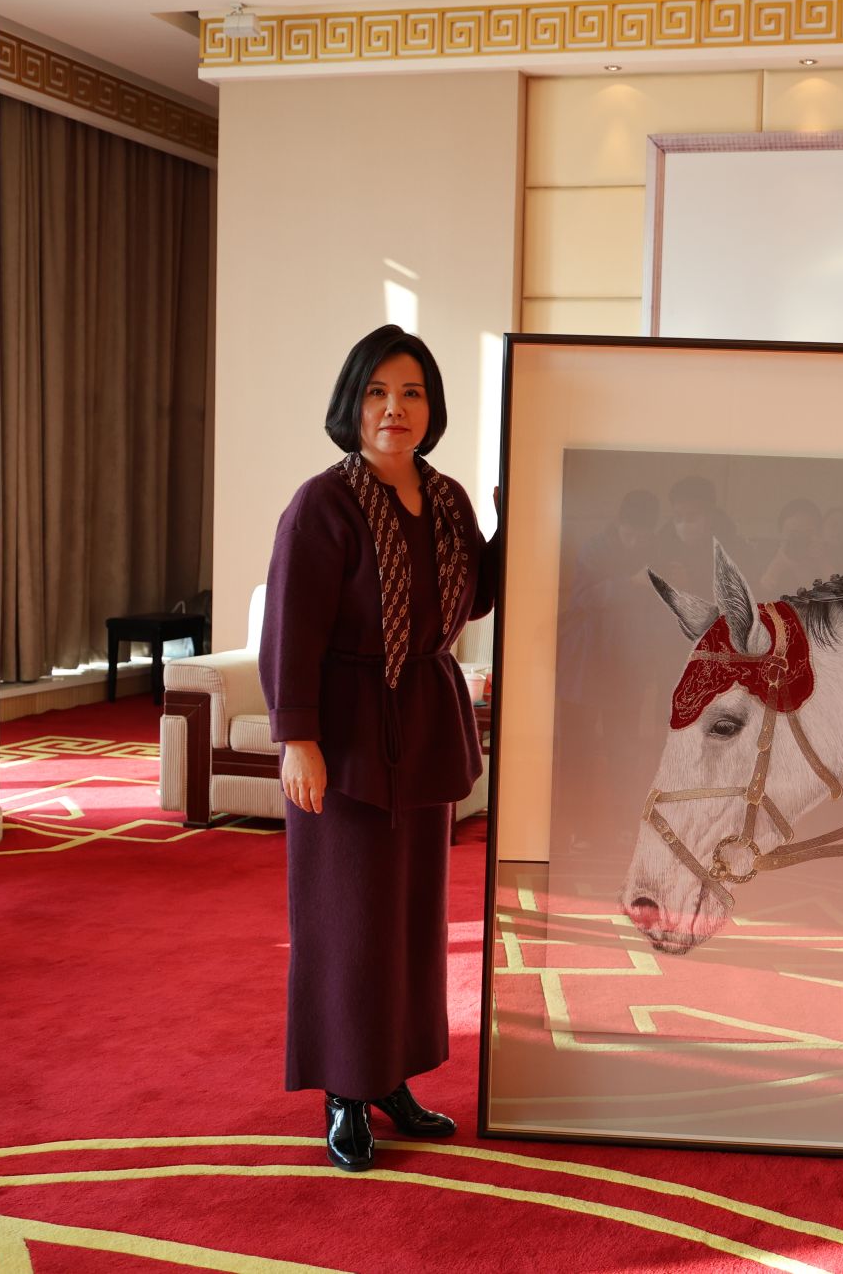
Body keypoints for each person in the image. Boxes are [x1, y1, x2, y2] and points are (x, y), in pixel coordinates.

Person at [258, 324, 500, 1173]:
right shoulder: (323, 505)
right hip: (347, 736)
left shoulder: (448, 499)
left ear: (431, 408)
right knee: (348, 921)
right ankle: (344, 1092)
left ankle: (391, 1075)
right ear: (351, 404)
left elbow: (475, 597)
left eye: (412, 392)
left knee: (411, 921)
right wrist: (298, 738)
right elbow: (291, 627)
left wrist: (521, 507)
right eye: (377, 392)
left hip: (423, 730)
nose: (395, 408)